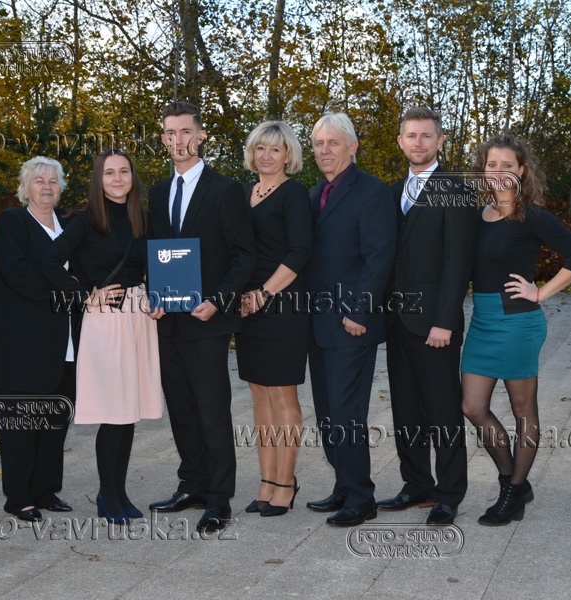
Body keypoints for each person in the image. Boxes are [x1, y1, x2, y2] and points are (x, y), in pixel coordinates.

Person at [461, 134, 571, 525]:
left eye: (507, 165)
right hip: (483, 321)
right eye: (492, 164)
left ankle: (513, 492)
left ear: (521, 170)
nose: (498, 171)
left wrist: (541, 293)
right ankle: (512, 480)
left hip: (518, 321)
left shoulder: (531, 215)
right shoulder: (478, 215)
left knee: (523, 410)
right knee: (472, 407)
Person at [147, 101, 256, 533]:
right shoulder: (158, 193)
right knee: (181, 408)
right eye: (171, 133)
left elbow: (244, 257)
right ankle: (192, 483)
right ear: (163, 139)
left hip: (208, 319)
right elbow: (155, 254)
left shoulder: (225, 190)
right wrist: (153, 294)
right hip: (168, 320)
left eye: (186, 132)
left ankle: (218, 498)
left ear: (201, 135)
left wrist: (218, 300)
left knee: (212, 410)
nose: (179, 140)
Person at [42, 148, 163, 524]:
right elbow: (49, 262)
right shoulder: (83, 220)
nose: (117, 178)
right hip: (105, 319)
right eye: (109, 173)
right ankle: (107, 496)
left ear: (132, 177)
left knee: (128, 413)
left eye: (124, 171)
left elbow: (157, 265)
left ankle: (118, 492)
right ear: (99, 179)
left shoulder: (144, 219)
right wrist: (84, 295)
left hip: (140, 316)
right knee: (113, 411)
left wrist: (160, 296)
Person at [377, 107, 477, 525]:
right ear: (400, 141)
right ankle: (416, 485)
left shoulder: (454, 190)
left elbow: (458, 262)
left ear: (440, 141)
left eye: (426, 136)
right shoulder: (390, 192)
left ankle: (448, 494)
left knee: (443, 411)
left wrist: (445, 321)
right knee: (405, 409)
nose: (418, 143)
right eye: (411, 136)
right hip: (398, 320)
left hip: (435, 324)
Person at [304, 113, 396, 527]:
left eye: (333, 142)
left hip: (351, 324)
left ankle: (361, 497)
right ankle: (343, 484)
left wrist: (360, 311)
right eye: (319, 143)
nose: (324, 150)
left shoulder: (372, 192)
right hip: (317, 324)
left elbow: (379, 257)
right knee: (327, 413)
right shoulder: (314, 193)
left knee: (346, 414)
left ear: (353, 147)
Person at [0, 157, 80, 522]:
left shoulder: (69, 227)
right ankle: (19, 497)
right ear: (25, 188)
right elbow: (19, 273)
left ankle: (45, 490)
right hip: (20, 343)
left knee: (55, 419)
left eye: (53, 181)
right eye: (38, 180)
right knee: (20, 422)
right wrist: (69, 287)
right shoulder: (14, 222)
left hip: (64, 341)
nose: (46, 186)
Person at [235, 121, 312, 518]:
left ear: (288, 156)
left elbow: (300, 251)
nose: (266, 155)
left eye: (275, 149)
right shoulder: (242, 193)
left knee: (283, 395)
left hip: (282, 303)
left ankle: (286, 481)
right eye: (260, 148)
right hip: (247, 307)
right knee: (259, 394)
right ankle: (266, 481)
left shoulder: (293, 194)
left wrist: (264, 294)